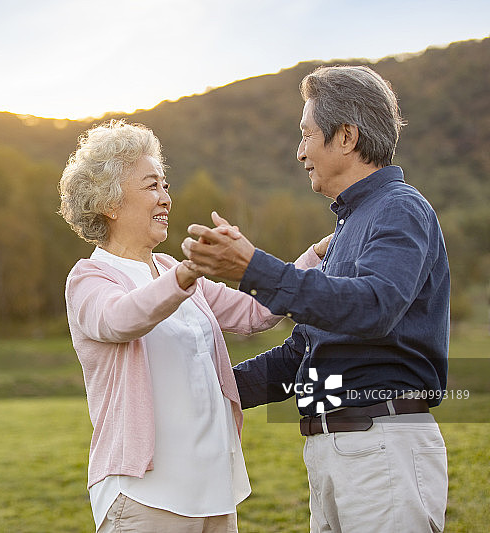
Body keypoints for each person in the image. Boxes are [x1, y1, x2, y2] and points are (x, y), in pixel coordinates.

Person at [181, 65, 450, 533]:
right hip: (334, 451)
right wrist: (207, 391)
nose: (299, 151)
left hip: (381, 445)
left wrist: (253, 270)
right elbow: (304, 352)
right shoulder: (347, 228)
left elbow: (374, 307)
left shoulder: (400, 209)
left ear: (345, 136)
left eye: (306, 135)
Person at [59, 119, 329, 532]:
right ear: (110, 203)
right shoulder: (91, 278)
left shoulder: (171, 270)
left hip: (213, 491)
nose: (166, 198)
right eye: (152, 186)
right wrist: (187, 274)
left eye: (166, 186)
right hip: (144, 497)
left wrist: (316, 253)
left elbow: (256, 313)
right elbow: (122, 319)